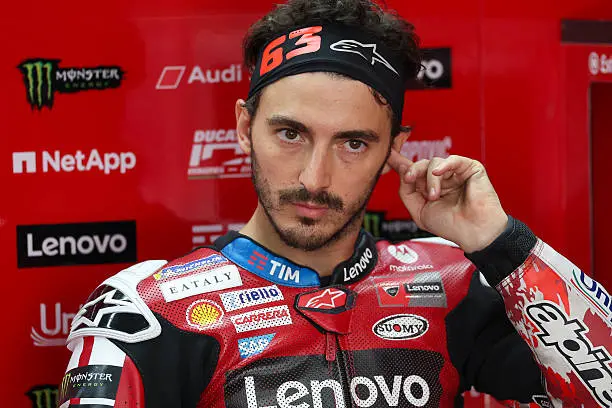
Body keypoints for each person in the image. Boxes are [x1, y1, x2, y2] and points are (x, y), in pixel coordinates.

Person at [57, 1, 612, 407]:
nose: (313, 178)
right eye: (290, 134)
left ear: (394, 148)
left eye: (353, 143)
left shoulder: (449, 284)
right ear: (245, 127)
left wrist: (502, 244)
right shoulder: (149, 309)